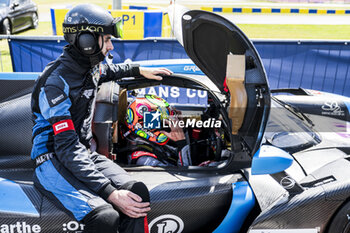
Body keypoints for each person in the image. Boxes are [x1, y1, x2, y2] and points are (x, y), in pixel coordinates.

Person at [30, 4, 172, 233]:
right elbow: (65, 148)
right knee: (104, 216)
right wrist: (111, 193)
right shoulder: (55, 83)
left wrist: (137, 70)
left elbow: (109, 72)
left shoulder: (90, 67)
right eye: (106, 39)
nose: (111, 46)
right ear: (86, 41)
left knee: (137, 193)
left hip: (81, 152)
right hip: (52, 160)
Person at [122, 94, 191, 167]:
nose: (169, 128)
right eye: (164, 123)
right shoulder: (145, 160)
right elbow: (184, 174)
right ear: (148, 126)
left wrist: (182, 131)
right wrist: (181, 143)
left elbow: (175, 153)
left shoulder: (150, 145)